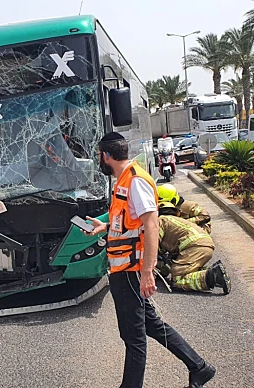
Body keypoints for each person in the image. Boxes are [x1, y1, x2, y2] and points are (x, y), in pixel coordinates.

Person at [86, 132, 215, 388]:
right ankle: (199, 368)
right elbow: (129, 219)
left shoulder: (135, 181)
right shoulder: (124, 180)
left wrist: (147, 272)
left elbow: (151, 224)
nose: (99, 160)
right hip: (124, 269)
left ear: (106, 155)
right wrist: (103, 226)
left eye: (99, 155)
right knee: (151, 326)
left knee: (133, 337)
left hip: (131, 270)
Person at [155, 210, 230, 294]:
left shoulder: (157, 224)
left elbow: (154, 250)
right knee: (186, 268)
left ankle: (213, 276)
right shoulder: (167, 220)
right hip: (204, 244)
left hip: (195, 246)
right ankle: (212, 272)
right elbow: (167, 259)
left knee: (178, 280)